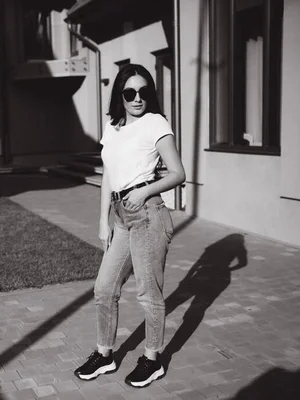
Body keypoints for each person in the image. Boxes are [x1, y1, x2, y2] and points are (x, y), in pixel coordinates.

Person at [74, 64, 186, 388]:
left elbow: (178, 173)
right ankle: (104, 354)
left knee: (148, 294)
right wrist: (102, 220)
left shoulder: (156, 123)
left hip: (148, 214)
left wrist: (145, 189)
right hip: (120, 218)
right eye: (130, 92)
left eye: (143, 91)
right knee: (104, 288)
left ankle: (153, 359)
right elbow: (108, 173)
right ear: (120, 96)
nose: (138, 98)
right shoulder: (113, 127)